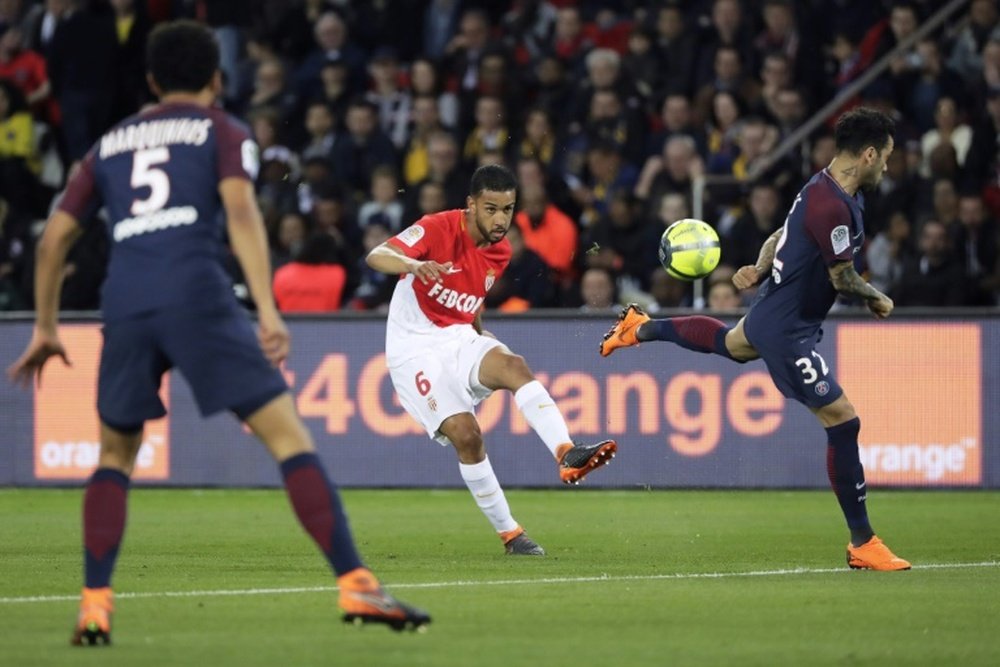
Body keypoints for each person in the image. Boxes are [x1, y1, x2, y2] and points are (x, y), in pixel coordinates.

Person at [5, 21, 429, 646]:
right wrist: (268, 308)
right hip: (196, 295)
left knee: (114, 458)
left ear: (150, 80)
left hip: (124, 303)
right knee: (287, 439)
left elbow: (54, 240)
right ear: (217, 79)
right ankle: (355, 582)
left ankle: (94, 603)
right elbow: (239, 211)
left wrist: (45, 326)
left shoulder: (110, 143)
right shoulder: (223, 131)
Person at [600, 107, 911, 572]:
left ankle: (639, 327)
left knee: (730, 344)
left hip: (775, 313)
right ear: (867, 154)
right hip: (787, 331)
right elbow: (843, 277)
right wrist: (876, 298)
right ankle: (863, 542)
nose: (887, 165)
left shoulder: (824, 185)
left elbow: (783, 233)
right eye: (885, 156)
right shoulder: (833, 203)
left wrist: (763, 266)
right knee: (843, 422)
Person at [365, 164, 618, 556]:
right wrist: (414, 264)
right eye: (491, 209)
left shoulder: (500, 251)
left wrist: (480, 333)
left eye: (508, 209)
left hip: (458, 336)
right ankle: (511, 534)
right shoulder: (436, 227)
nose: (501, 220)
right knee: (467, 436)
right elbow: (377, 255)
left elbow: (472, 295)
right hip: (413, 347)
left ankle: (567, 454)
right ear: (471, 205)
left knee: (514, 365)